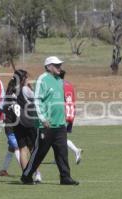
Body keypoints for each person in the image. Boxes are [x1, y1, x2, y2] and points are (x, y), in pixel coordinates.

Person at [21, 56, 79, 185]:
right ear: (48, 67)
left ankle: (65, 177)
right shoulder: (43, 79)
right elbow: (37, 100)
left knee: (62, 152)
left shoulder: (59, 80)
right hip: (46, 125)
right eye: (56, 65)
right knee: (39, 153)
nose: (59, 67)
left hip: (60, 124)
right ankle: (26, 175)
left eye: (60, 65)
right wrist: (42, 118)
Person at [0, 70, 42, 182]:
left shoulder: (9, 92)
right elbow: (37, 100)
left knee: (22, 149)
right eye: (26, 77)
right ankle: (37, 174)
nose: (28, 79)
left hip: (16, 124)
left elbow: (1, 108)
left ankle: (26, 176)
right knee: (33, 150)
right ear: (22, 79)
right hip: (30, 122)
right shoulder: (25, 89)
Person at [59, 70, 82, 164]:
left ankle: (76, 150)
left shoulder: (58, 85)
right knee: (61, 136)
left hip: (63, 113)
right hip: (71, 112)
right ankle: (60, 156)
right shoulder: (69, 84)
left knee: (59, 137)